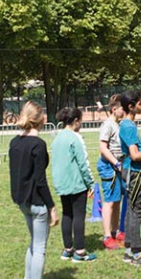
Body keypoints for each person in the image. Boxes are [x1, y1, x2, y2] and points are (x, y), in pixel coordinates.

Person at [9, 101, 60, 279]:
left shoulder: (15, 142)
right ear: (40, 119)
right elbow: (40, 179)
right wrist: (52, 207)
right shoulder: (37, 145)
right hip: (37, 202)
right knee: (40, 247)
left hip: (22, 200)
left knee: (33, 243)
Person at [50, 107, 96, 263]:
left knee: (67, 214)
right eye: (81, 121)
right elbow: (83, 163)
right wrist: (91, 183)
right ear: (76, 121)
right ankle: (80, 252)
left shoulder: (57, 138)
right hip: (76, 183)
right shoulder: (74, 138)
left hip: (62, 183)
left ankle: (67, 249)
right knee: (78, 216)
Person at [119, 90, 141, 265]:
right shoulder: (128, 126)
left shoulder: (128, 126)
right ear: (131, 106)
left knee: (131, 209)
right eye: (139, 104)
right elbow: (134, 155)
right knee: (136, 210)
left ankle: (128, 249)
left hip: (131, 171)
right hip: (134, 172)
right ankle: (136, 253)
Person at [96, 94, 126, 250]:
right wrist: (116, 163)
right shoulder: (107, 125)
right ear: (115, 109)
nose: (125, 110)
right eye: (123, 108)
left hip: (118, 165)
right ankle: (107, 235)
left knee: (117, 200)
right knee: (109, 201)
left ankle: (116, 231)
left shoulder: (118, 124)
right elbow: (103, 148)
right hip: (109, 166)